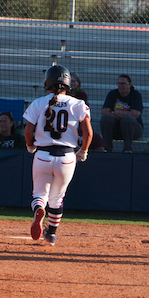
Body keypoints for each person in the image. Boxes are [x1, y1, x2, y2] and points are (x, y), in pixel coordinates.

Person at [23, 65, 92, 246]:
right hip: (67, 157)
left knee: (39, 194)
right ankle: (51, 234)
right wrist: (83, 151)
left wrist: (30, 146)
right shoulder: (78, 104)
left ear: (48, 82)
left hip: (43, 154)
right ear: (68, 83)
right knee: (57, 198)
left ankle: (39, 208)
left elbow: (28, 131)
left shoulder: (38, 103)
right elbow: (89, 133)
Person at [100, 74, 144, 154]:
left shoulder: (136, 95)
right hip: (116, 129)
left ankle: (127, 149)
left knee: (128, 119)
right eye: (119, 83)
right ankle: (107, 149)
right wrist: (124, 115)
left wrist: (116, 113)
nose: (121, 86)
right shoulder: (112, 94)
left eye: (124, 83)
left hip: (134, 129)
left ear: (130, 85)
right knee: (105, 118)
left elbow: (135, 114)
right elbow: (105, 111)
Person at [68, 73, 106, 152]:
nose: (72, 83)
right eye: (70, 81)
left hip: (80, 118)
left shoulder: (82, 94)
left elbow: (81, 110)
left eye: (74, 81)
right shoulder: (63, 95)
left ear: (78, 83)